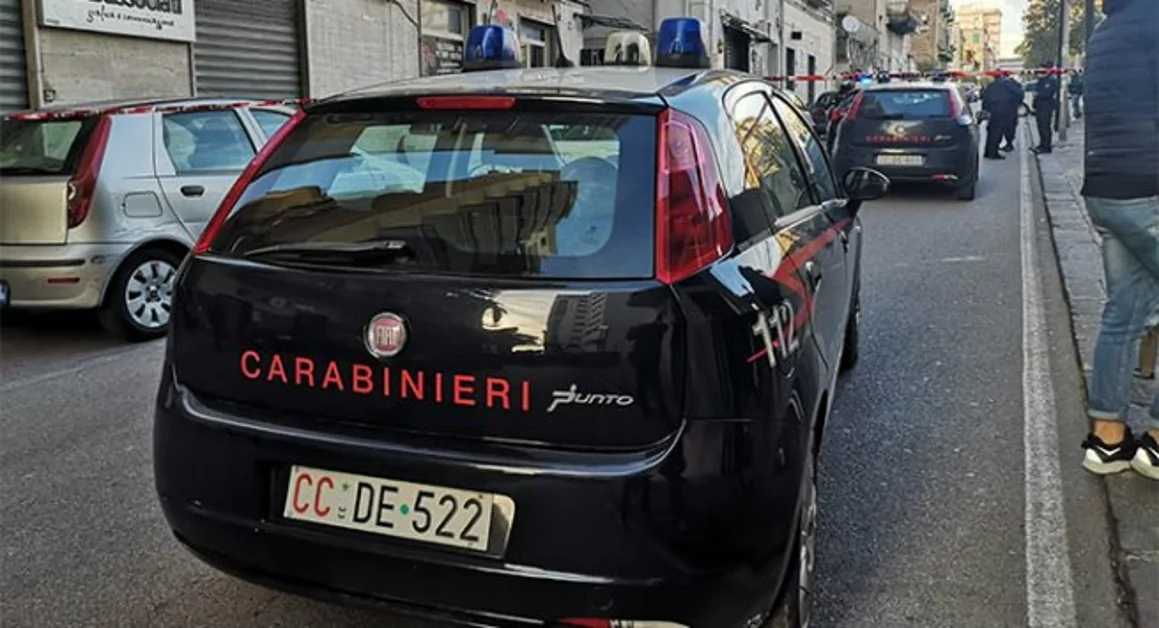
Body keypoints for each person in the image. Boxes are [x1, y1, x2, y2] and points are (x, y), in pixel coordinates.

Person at [1078, 0, 1159, 480]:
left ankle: (1107, 440)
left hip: (1108, 188)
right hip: (1150, 189)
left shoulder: (1108, 31)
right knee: (1124, 315)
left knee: (1123, 315)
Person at [980, 72, 1021, 160]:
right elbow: (1019, 94)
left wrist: (985, 110)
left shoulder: (991, 85)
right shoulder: (1009, 84)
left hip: (993, 111)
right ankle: (993, 153)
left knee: (991, 131)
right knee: (997, 132)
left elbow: (985, 98)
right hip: (1004, 110)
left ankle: (988, 151)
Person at [1031, 60, 1060, 154]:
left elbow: (1046, 93)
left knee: (1045, 127)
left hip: (1046, 107)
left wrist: (1037, 94)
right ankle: (1042, 144)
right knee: (1041, 127)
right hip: (1040, 107)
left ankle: (1046, 147)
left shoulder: (1050, 80)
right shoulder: (1042, 80)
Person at [1001, 73, 1024, 152]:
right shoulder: (1015, 85)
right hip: (1012, 108)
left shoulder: (1007, 84)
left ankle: (1009, 144)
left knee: (1008, 127)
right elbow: (1021, 94)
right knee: (1010, 127)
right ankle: (1009, 143)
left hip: (1008, 108)